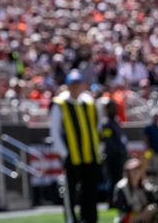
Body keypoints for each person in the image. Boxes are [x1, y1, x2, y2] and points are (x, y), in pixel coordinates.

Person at [50, 69, 102, 223]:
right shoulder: (60, 103)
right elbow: (55, 131)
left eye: (78, 83)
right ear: (67, 85)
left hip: (90, 155)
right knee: (70, 192)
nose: (75, 87)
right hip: (72, 156)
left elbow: (98, 126)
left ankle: (90, 219)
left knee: (90, 191)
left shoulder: (90, 102)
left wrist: (98, 148)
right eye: (72, 84)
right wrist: (64, 153)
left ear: (83, 85)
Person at [113, 158, 158, 223]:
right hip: (127, 217)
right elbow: (121, 207)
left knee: (153, 210)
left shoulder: (143, 185)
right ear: (128, 172)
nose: (135, 172)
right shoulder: (121, 186)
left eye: (138, 169)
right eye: (133, 170)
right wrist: (139, 212)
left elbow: (155, 200)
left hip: (142, 214)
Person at [101, 98, 128, 198]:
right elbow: (107, 140)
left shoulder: (116, 122)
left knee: (119, 178)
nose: (114, 109)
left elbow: (122, 139)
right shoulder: (106, 124)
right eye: (111, 108)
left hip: (119, 156)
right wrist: (117, 150)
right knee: (112, 179)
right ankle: (111, 200)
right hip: (112, 157)